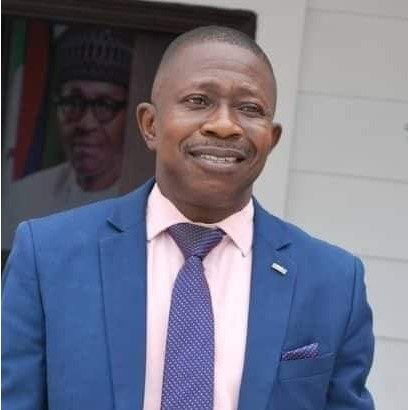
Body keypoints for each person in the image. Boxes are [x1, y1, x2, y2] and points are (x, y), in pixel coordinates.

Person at [2, 26, 375, 410]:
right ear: (150, 125)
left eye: (250, 108)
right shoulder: (48, 256)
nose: (224, 125)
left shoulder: (333, 281)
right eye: (198, 100)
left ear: (272, 138)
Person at [2, 27, 133, 249]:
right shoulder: (24, 197)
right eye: (73, 103)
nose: (86, 123)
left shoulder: (150, 204)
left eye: (104, 105)